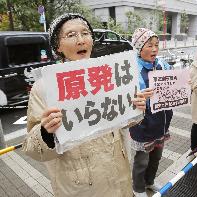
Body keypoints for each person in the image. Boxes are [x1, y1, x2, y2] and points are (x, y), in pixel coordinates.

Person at [22, 13, 146, 197]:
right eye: (71, 35)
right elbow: (33, 149)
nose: (81, 40)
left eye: (85, 33)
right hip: (81, 187)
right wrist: (45, 132)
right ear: (58, 46)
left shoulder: (108, 76)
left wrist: (135, 107)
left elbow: (122, 122)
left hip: (120, 180)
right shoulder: (44, 88)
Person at [129, 28, 173, 197]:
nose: (155, 49)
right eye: (149, 45)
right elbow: (127, 99)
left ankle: (150, 182)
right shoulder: (132, 69)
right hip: (143, 125)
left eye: (156, 45)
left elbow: (176, 81)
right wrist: (140, 97)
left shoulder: (162, 64)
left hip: (161, 123)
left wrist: (185, 82)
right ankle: (138, 188)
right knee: (142, 161)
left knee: (156, 157)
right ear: (139, 48)